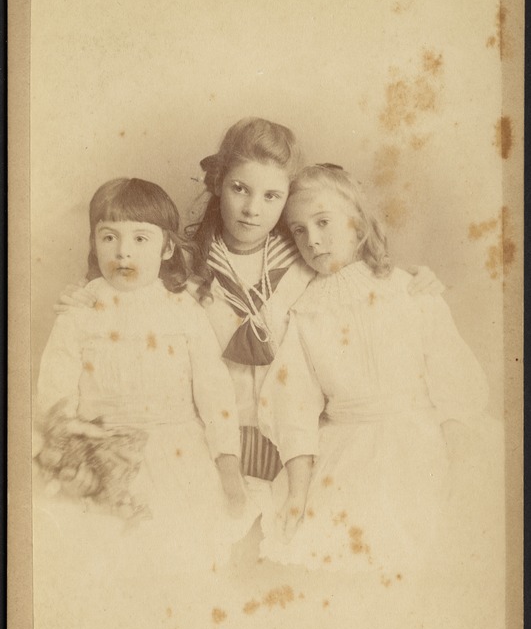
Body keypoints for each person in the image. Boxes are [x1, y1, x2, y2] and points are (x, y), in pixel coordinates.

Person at [55, 118, 444, 487]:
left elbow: (361, 285)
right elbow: (125, 297)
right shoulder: (180, 268)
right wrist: (84, 293)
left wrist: (409, 278)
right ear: (218, 183)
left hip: (302, 447)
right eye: (240, 189)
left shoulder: (307, 261)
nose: (252, 209)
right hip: (213, 447)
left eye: (271, 196)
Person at [258, 164, 504, 592]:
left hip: (422, 442)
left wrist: (460, 463)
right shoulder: (305, 312)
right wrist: (297, 491)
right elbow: (292, 406)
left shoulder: (409, 289)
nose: (311, 240)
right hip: (347, 451)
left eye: (322, 222)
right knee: (349, 572)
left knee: (439, 557)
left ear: (357, 221)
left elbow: (452, 386)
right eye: (298, 230)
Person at [35, 177, 258, 575]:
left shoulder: (184, 310)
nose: (123, 252)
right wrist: (73, 459)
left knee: (182, 561)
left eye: (140, 238)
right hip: (102, 460)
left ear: (166, 247)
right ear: (94, 244)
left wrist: (228, 467)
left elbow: (215, 393)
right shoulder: (78, 313)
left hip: (178, 457)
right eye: (109, 238)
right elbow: (54, 398)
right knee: (109, 565)